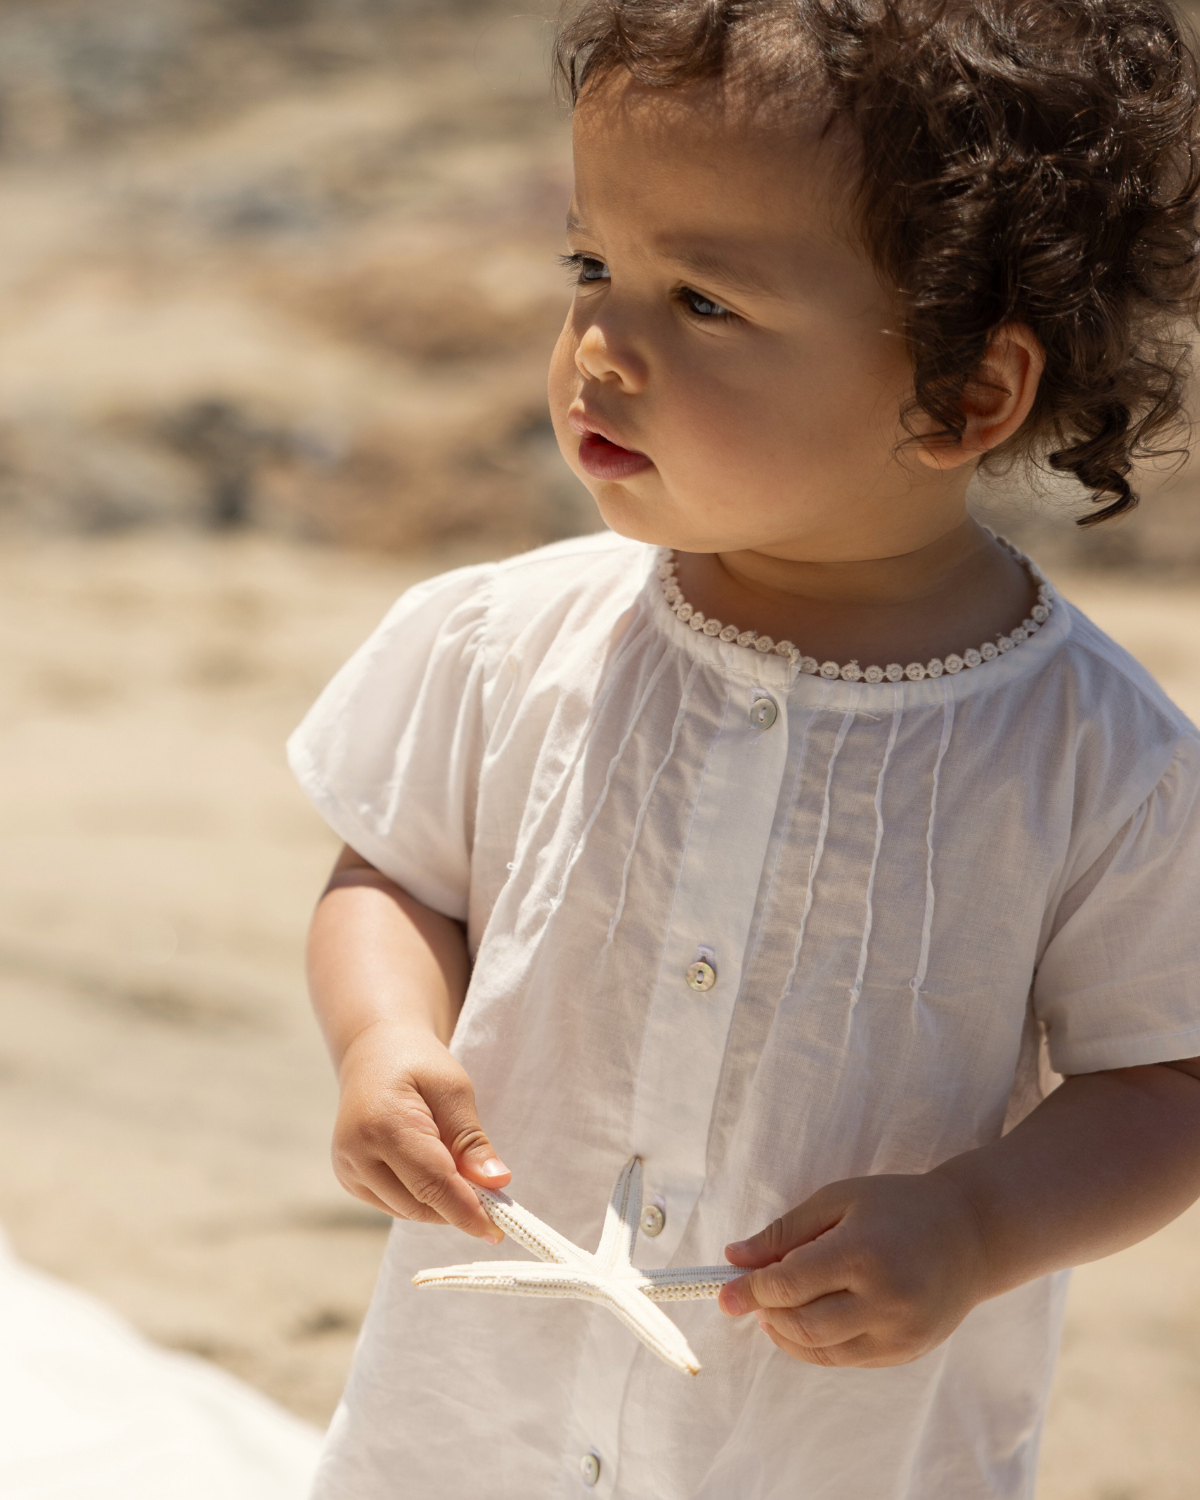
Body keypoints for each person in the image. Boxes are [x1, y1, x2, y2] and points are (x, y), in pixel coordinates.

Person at [287, 1, 1200, 1494]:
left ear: (965, 394)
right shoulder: (504, 638)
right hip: (481, 1425)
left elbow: (1163, 1083)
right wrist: (383, 1040)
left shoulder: (1096, 758)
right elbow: (393, 874)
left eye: (703, 301)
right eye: (592, 267)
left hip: (821, 1444)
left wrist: (980, 1225)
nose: (600, 344)